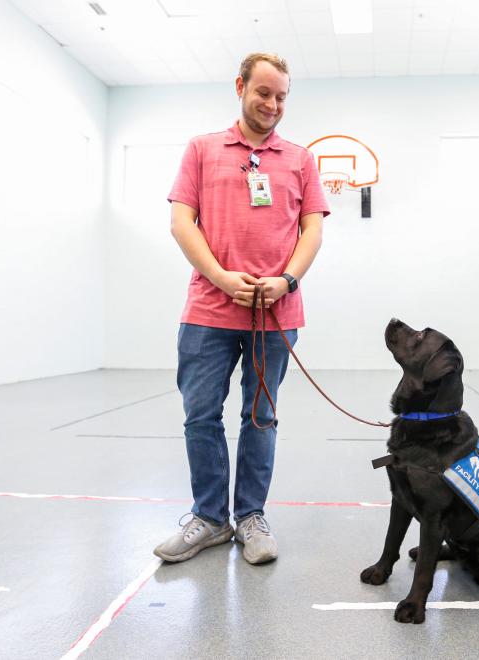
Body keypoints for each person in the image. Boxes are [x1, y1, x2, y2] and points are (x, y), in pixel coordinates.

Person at [155, 53, 329, 565]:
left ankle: (250, 516)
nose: (273, 104)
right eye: (264, 93)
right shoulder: (202, 149)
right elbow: (181, 222)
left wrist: (287, 279)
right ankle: (209, 518)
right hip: (208, 311)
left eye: (281, 97)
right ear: (241, 87)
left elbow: (313, 229)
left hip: (275, 316)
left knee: (260, 418)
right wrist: (222, 278)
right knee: (201, 416)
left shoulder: (299, 158)